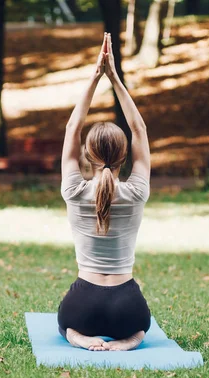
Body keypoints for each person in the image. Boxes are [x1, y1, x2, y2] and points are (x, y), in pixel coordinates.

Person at [57, 33, 151, 351]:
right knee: (141, 325)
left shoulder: (73, 189)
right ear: (125, 157)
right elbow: (139, 129)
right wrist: (115, 78)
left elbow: (73, 127)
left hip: (83, 305)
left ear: (87, 155)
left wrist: (96, 76)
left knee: (64, 323)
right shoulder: (136, 191)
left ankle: (77, 336)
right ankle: (131, 338)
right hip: (128, 307)